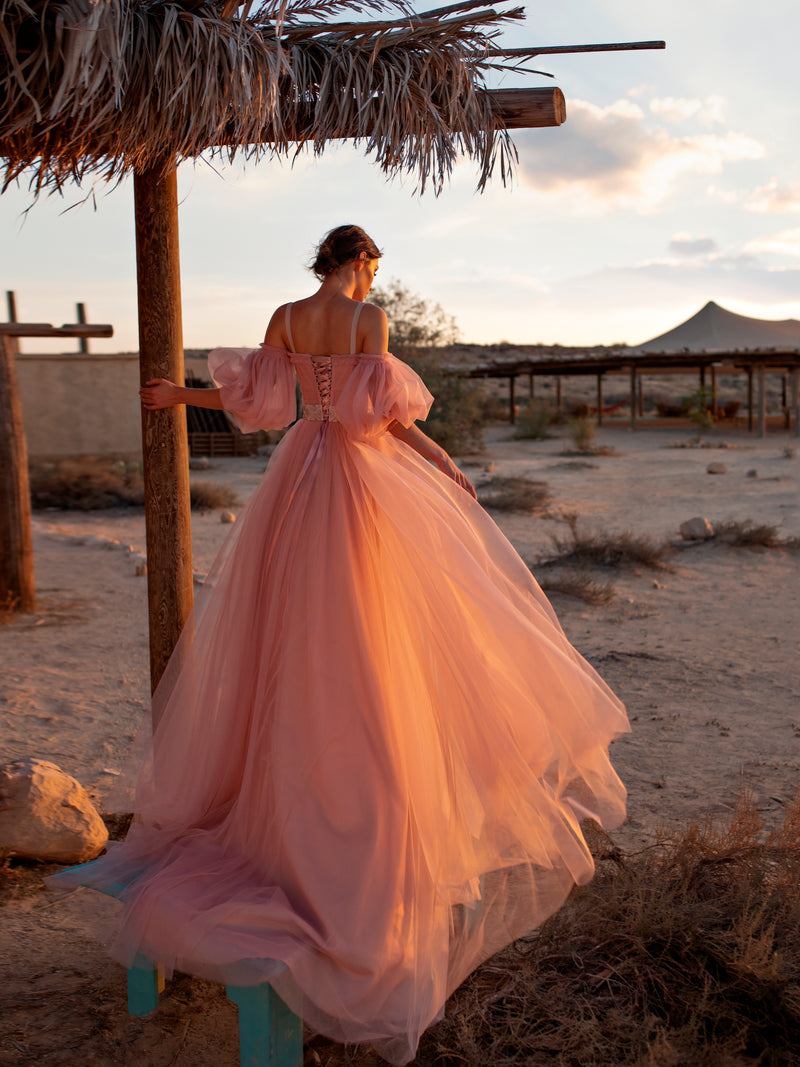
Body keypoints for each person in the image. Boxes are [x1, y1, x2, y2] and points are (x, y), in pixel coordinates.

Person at [54, 225, 629, 1066]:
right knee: (369, 624)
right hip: (354, 481)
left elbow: (261, 404)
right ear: (359, 263)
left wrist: (178, 396)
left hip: (298, 476)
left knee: (283, 624)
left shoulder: (289, 315)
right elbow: (382, 422)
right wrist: (439, 458)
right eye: (369, 271)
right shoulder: (370, 321)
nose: (367, 283)